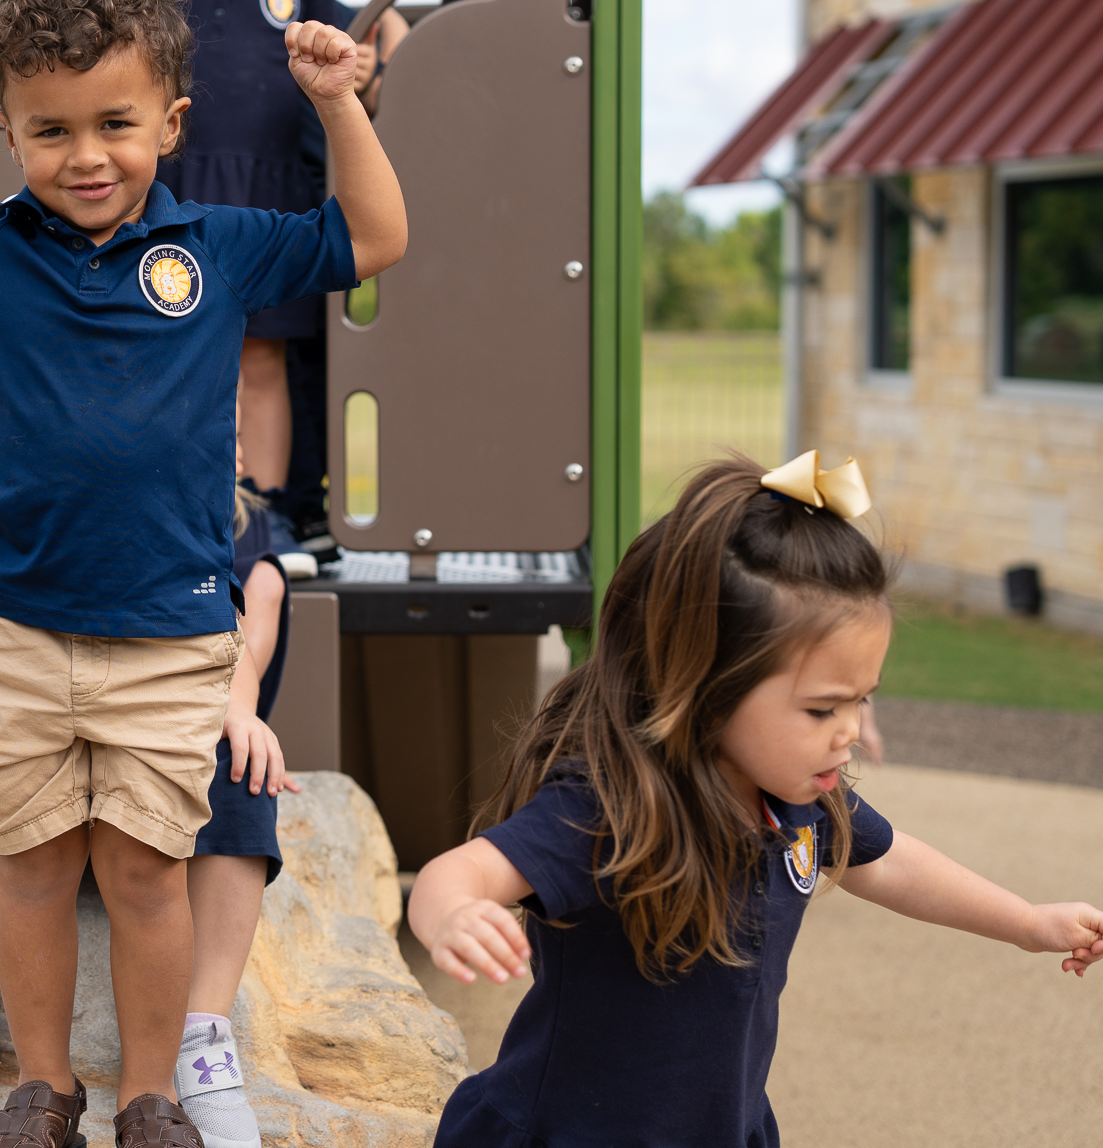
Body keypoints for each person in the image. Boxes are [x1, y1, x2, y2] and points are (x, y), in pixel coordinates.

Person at [0, 0, 405, 1148]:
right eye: (49, 128)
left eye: (116, 123)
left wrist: (335, 101)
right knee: (27, 869)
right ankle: (39, 1085)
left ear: (169, 123)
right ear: (7, 132)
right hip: (14, 632)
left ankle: (148, 1091)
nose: (85, 154)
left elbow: (373, 236)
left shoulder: (216, 245)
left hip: (167, 636)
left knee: (140, 875)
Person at [407, 452, 1103, 1148]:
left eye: (863, 701)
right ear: (708, 684)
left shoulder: (799, 805)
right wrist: (454, 916)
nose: (851, 734)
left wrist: (1027, 922)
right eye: (822, 710)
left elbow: (890, 864)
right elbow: (458, 873)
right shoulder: (611, 807)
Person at [0, 303, 296, 1148]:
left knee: (241, 779)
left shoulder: (174, 505)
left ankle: (199, 1030)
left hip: (153, 762)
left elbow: (237, 631)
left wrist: (240, 712)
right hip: (25, 768)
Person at [136, 0, 408, 552]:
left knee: (263, 360)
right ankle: (186, 505)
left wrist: (371, 57)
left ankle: (272, 509)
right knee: (173, 353)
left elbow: (346, 56)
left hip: (274, 200)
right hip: (173, 193)